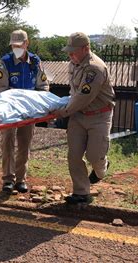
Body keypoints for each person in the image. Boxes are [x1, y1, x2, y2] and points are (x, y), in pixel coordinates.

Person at [53, 32, 115, 204]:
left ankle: (102, 168)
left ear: (86, 48)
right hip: (78, 116)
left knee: (94, 156)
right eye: (69, 51)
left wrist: (63, 112)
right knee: (74, 155)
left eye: (73, 51)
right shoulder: (73, 64)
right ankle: (81, 192)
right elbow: (73, 92)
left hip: (99, 115)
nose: (70, 55)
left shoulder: (94, 69)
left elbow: (83, 97)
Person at [0, 29, 49, 194]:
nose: (16, 48)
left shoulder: (36, 62)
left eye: (19, 45)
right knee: (8, 143)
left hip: (29, 111)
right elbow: (1, 89)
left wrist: (42, 103)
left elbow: (43, 86)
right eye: (13, 45)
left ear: (27, 44)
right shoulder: (5, 63)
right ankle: (8, 180)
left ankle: (20, 179)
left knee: (25, 144)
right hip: (10, 110)